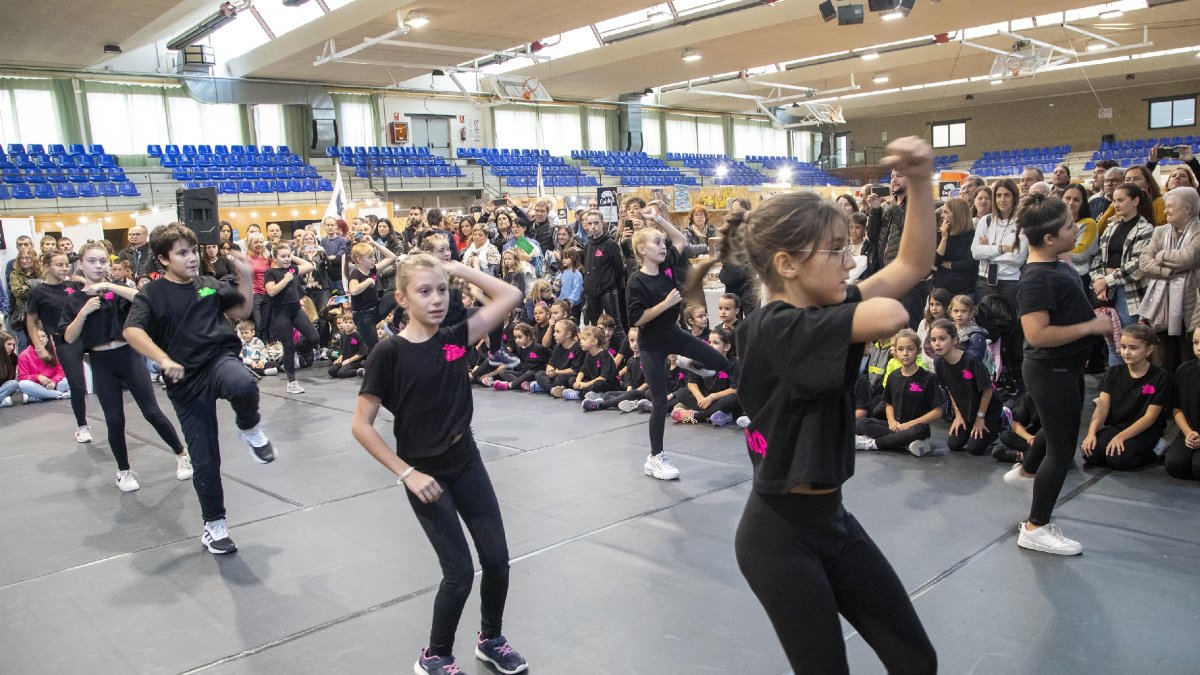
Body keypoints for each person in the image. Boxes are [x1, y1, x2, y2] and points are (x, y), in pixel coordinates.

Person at [696, 138, 937, 673]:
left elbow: (915, 263)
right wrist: (865, 293)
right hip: (778, 537)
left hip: (832, 521)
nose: (850, 262)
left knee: (915, 660)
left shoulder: (822, 308)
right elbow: (893, 314)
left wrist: (920, 181)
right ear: (787, 263)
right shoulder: (777, 330)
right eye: (836, 251)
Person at [350, 252, 528, 675]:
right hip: (425, 474)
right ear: (401, 298)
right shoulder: (388, 354)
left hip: (465, 460)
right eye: (424, 291)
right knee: (459, 573)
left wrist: (459, 269)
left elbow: (511, 294)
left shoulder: (452, 340)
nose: (436, 299)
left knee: (498, 559)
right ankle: (435, 656)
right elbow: (361, 425)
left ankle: (491, 639)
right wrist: (407, 474)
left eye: (442, 291)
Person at [123, 224, 276, 555]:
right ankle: (214, 525)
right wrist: (163, 359)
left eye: (192, 251)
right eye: (182, 253)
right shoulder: (152, 294)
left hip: (219, 360)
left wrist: (247, 277)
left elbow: (240, 312)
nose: (191, 258)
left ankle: (249, 429)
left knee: (243, 382)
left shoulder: (208, 284)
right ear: (163, 259)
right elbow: (132, 332)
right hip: (185, 381)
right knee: (205, 460)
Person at [1002, 192, 1114, 555]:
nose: (1075, 229)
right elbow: (1037, 335)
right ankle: (1035, 527)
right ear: (1048, 238)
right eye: (1069, 227)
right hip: (1051, 370)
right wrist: (1089, 328)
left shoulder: (1054, 263)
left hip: (1064, 369)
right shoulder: (1035, 279)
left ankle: (1026, 473)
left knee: (1054, 433)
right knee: (1063, 448)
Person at [61, 242, 191, 492]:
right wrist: (84, 312)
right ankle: (123, 470)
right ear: (80, 264)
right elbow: (68, 337)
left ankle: (181, 453)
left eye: (102, 261)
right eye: (92, 261)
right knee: (114, 420)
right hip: (101, 362)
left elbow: (145, 300)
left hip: (128, 356)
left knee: (152, 412)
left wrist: (110, 286)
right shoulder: (75, 299)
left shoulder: (118, 291)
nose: (98, 266)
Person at [627, 225, 729, 480]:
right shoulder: (636, 281)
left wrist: (658, 218)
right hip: (652, 344)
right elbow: (636, 319)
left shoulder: (667, 265)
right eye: (657, 242)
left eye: (663, 242)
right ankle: (656, 457)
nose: (664, 246)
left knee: (721, 363)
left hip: (674, 334)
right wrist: (665, 304)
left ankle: (688, 361)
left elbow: (681, 238)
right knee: (660, 402)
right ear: (642, 250)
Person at [1081, 324, 1169, 472]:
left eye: (1133, 348)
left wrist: (1121, 437)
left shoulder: (1159, 377)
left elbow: (1150, 418)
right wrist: (1091, 433)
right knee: (1091, 453)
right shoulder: (1113, 372)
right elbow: (1102, 407)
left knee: (1118, 459)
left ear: (1149, 350)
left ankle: (1156, 449)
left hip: (1146, 430)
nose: (1126, 352)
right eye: (1123, 347)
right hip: (1119, 425)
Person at [24, 250, 91, 442]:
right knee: (77, 384)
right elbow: (31, 322)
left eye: (65, 265)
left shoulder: (73, 285)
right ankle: (82, 426)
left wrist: (80, 278)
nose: (64, 269)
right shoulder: (38, 291)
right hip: (63, 340)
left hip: (86, 335)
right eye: (58, 265)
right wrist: (39, 347)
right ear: (46, 266)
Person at [1137, 186, 1200, 375]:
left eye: (1170, 206)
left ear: (1187, 209)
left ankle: (1187, 403)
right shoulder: (1160, 231)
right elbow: (1144, 263)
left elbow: (1190, 257)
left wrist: (1161, 254)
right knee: (1164, 362)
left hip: (1192, 308)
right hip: (1163, 308)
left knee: (1188, 360)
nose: (1165, 211)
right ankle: (1164, 402)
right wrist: (1167, 272)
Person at [1091, 183, 1156, 364]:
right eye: (1114, 201)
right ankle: (1115, 388)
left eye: (1121, 200)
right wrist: (1098, 280)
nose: (1116, 205)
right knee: (1113, 344)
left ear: (1135, 201)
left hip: (1130, 294)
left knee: (1131, 342)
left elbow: (1138, 265)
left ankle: (1135, 388)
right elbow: (1097, 257)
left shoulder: (1146, 228)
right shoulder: (1111, 228)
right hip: (1107, 293)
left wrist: (1107, 280)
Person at [854, 329, 940, 456]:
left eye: (910, 349)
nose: (905, 353)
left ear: (918, 350)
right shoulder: (893, 376)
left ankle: (873, 444)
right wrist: (892, 422)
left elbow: (938, 411)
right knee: (860, 423)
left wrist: (909, 424)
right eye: (901, 349)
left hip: (915, 426)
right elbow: (888, 404)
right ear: (896, 352)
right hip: (896, 426)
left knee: (919, 431)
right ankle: (905, 442)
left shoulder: (928, 378)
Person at [972, 178, 1026, 380]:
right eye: (999, 195)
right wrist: (1002, 248)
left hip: (1010, 283)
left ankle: (1014, 374)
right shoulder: (986, 221)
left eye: (1007, 195)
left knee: (1012, 331)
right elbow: (976, 252)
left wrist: (990, 250)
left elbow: (1018, 257)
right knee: (987, 330)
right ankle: (990, 374)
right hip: (985, 282)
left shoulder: (1022, 223)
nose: (1002, 199)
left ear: (1014, 197)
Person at [929, 319, 999, 455]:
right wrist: (959, 415)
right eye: (933, 340)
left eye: (942, 339)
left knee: (974, 449)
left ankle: (1001, 421)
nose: (937, 343)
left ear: (954, 340)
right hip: (967, 409)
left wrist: (980, 417)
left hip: (987, 407)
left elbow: (988, 390)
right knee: (954, 445)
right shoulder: (939, 363)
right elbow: (950, 389)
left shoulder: (971, 361)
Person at [263, 242, 321, 394]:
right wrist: (286, 279)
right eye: (283, 257)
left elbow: (309, 266)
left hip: (296, 310)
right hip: (281, 312)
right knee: (287, 347)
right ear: (274, 258)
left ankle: (294, 349)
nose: (287, 259)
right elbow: (271, 292)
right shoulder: (270, 273)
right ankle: (291, 382)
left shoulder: (292, 269)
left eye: (288, 256)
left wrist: (291, 256)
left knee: (314, 338)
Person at [668, 326, 742, 427]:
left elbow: (735, 389)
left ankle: (697, 416)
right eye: (709, 342)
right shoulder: (702, 360)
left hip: (721, 398)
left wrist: (713, 397)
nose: (710, 345)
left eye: (715, 343)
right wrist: (699, 398)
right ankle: (719, 414)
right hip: (705, 399)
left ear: (726, 347)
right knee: (681, 393)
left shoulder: (734, 363)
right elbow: (692, 382)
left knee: (734, 399)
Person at [347, 239, 399, 352]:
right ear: (359, 260)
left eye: (373, 256)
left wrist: (374, 243)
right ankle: (372, 368)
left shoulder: (372, 270)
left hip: (376, 309)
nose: (374, 259)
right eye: (370, 257)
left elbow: (392, 257)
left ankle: (399, 323)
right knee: (375, 349)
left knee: (398, 294)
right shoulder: (356, 274)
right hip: (363, 317)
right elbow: (353, 290)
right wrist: (368, 281)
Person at [581, 210, 625, 332]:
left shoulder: (610, 243)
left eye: (596, 223)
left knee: (614, 323)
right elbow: (587, 267)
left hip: (608, 289)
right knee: (595, 325)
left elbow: (619, 268)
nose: (593, 226)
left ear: (602, 223)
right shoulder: (587, 245)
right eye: (589, 223)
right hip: (591, 290)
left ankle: (620, 349)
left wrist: (611, 284)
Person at [1166, 327, 1200, 480]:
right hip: (1190, 430)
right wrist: (1188, 433)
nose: (1199, 348)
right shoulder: (1184, 371)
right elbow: (1177, 408)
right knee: (1175, 465)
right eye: (1196, 343)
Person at [556, 325, 618, 401]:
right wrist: (578, 382)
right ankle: (590, 394)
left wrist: (586, 385)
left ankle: (580, 395)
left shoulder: (605, 355)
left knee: (598, 383)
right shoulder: (588, 355)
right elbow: (582, 371)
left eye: (584, 339)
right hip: (592, 383)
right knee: (572, 379)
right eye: (581, 339)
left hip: (608, 385)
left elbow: (603, 378)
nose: (580, 341)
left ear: (594, 341)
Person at [934, 196, 977, 296]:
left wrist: (947, 264)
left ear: (957, 215)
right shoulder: (941, 234)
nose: (942, 216)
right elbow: (935, 261)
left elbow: (969, 264)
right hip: (941, 289)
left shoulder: (972, 235)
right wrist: (944, 238)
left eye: (946, 212)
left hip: (964, 290)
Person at [17, 328, 70, 401]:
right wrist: (37, 377)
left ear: (48, 338)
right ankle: (58, 394)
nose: (41, 339)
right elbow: (22, 377)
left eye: (43, 336)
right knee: (22, 384)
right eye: (38, 337)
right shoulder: (24, 355)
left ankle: (39, 396)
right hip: (36, 385)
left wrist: (54, 381)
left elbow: (61, 372)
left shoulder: (55, 351)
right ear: (32, 339)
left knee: (69, 379)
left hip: (53, 384)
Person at [531, 319, 582, 394]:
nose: (554, 334)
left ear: (568, 334)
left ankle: (545, 387)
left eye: (558, 332)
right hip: (556, 373)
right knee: (539, 374)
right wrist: (549, 371)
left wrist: (557, 372)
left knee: (560, 379)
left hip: (566, 375)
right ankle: (552, 389)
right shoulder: (557, 346)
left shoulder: (578, 348)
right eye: (554, 331)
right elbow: (551, 363)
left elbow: (574, 370)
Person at [949, 294, 988, 363]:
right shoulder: (947, 330)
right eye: (956, 311)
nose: (959, 315)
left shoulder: (976, 335)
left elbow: (974, 360)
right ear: (951, 312)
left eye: (964, 311)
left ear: (971, 313)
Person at [328, 314, 369, 378]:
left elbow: (362, 353)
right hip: (345, 360)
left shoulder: (358, 335)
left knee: (341, 373)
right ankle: (347, 369)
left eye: (350, 323)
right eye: (345, 322)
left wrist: (349, 360)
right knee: (331, 371)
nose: (347, 325)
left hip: (356, 361)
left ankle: (359, 371)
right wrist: (340, 358)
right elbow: (342, 349)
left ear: (355, 324)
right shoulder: (343, 336)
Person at [0, 331, 18, 407]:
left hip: (2, 388)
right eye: (9, 344)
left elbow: (10, 379)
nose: (12, 348)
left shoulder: (13, 357)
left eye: (13, 345)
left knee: (13, 384)